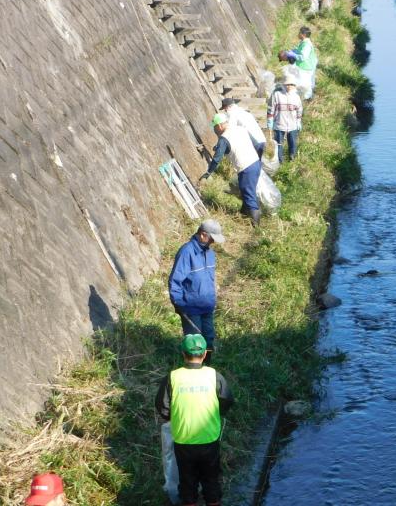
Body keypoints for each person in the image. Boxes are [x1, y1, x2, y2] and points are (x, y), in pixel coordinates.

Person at [155, 334, 234, 506]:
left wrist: (173, 417)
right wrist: (215, 413)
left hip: (183, 441)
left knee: (187, 481)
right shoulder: (214, 376)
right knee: (211, 479)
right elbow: (227, 400)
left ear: (183, 354)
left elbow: (162, 406)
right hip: (209, 439)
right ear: (205, 354)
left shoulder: (173, 377)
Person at [168, 220, 224, 355]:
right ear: (203, 235)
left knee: (208, 341)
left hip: (207, 307)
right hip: (191, 309)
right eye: (212, 239)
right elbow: (175, 281)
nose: (213, 242)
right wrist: (180, 305)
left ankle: (207, 369)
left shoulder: (210, 254)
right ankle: (192, 371)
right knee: (195, 345)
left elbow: (209, 279)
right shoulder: (186, 252)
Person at [201, 113, 263, 225]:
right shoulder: (240, 129)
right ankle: (244, 213)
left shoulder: (224, 139)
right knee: (245, 190)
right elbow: (252, 144)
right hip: (255, 163)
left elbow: (216, 159)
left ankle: (256, 227)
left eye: (214, 128)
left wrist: (208, 173)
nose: (214, 130)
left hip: (246, 168)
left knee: (249, 193)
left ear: (219, 126)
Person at [268, 72, 303, 162]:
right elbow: (271, 108)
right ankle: (280, 161)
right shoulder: (277, 95)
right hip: (279, 124)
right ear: (284, 84)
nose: (289, 86)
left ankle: (292, 159)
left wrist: (298, 121)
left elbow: (299, 110)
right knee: (278, 143)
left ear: (294, 85)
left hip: (292, 125)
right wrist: (270, 121)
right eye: (287, 84)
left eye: (291, 84)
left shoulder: (296, 97)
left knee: (293, 143)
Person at [291, 25, 318, 99]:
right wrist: (296, 51)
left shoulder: (307, 44)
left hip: (306, 67)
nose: (298, 34)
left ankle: (306, 99)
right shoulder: (304, 42)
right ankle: (307, 97)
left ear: (303, 34)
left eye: (299, 33)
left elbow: (303, 57)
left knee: (306, 84)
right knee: (307, 83)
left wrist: (293, 55)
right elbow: (301, 52)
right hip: (307, 66)